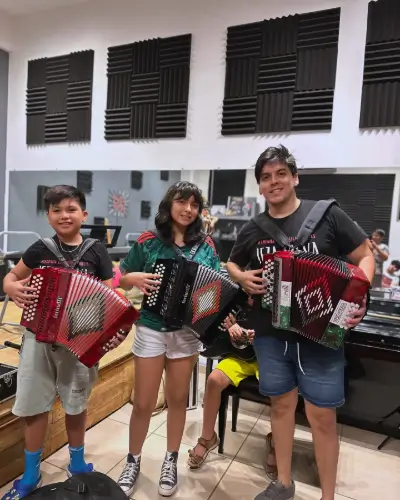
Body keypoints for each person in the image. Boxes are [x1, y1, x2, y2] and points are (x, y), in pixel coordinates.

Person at [226, 145, 375, 500]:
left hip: (320, 335)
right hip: (270, 333)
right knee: (280, 406)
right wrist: (241, 277)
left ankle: (327, 496)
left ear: (295, 178)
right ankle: (283, 483)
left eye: (281, 174)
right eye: (266, 177)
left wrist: (359, 294)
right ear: (260, 186)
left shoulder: (327, 215)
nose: (274, 181)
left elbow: (365, 255)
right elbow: (232, 263)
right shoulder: (253, 228)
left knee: (321, 416)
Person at [1, 185, 119, 500]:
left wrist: (111, 330)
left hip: (79, 342)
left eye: (71, 209)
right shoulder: (40, 248)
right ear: (48, 216)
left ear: (83, 214)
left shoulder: (96, 250)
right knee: (33, 405)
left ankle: (77, 463)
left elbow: (109, 296)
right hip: (37, 338)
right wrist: (10, 287)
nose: (64, 215)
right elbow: (11, 277)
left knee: (76, 404)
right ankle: (31, 472)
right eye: (56, 210)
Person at [116, 181, 220, 497]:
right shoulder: (148, 241)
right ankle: (133, 460)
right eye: (181, 202)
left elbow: (215, 289)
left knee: (177, 400)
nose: (187, 209)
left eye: (194, 204)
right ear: (169, 204)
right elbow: (121, 277)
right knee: (143, 403)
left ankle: (170, 460)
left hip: (185, 334)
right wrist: (131, 279)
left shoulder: (207, 245)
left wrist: (210, 307)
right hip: (150, 328)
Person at [187, 311, 277, 480]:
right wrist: (230, 326)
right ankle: (207, 438)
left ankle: (277, 444)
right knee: (213, 380)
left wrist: (262, 336)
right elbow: (218, 315)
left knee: (278, 391)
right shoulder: (238, 297)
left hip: (270, 358)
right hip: (240, 357)